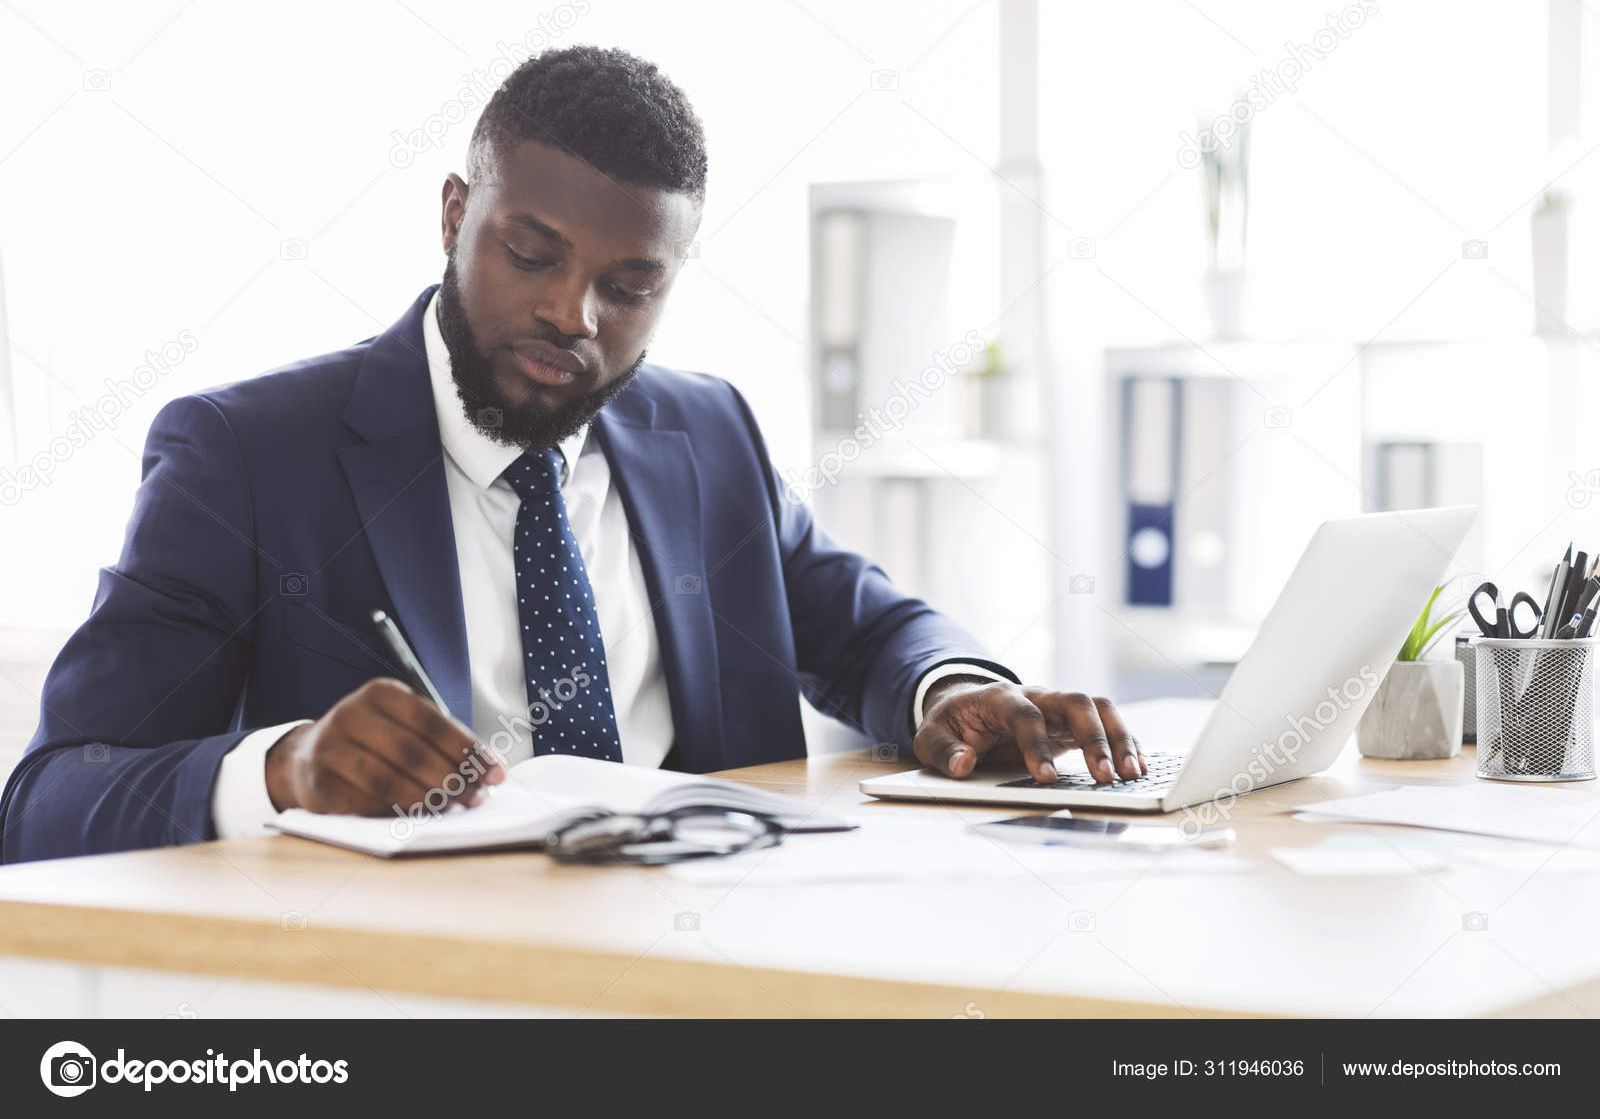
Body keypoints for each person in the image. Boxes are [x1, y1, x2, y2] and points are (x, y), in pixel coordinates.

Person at [0, 46, 1143, 864]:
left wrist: (961, 691)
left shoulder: (706, 434)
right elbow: (49, 799)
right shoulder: (249, 454)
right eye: (532, 254)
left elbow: (870, 629)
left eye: (630, 286)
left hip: (720, 969)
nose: (574, 316)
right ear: (454, 215)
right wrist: (281, 769)